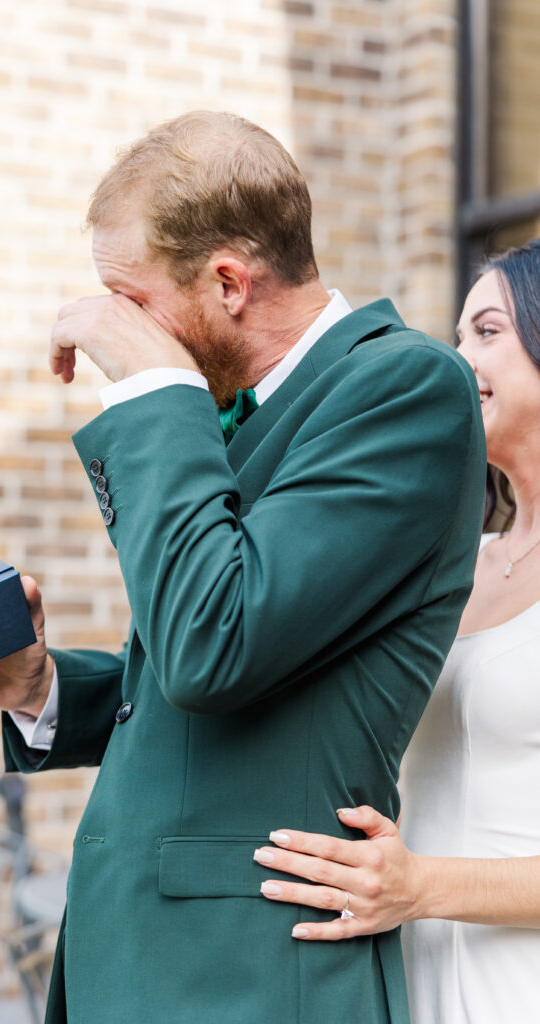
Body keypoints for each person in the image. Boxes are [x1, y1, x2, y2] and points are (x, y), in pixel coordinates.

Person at [0, 111, 487, 1024]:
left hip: (253, 976)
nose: (111, 332)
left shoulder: (404, 389)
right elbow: (211, 670)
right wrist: (39, 685)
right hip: (137, 963)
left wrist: (153, 389)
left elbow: (214, 644)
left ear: (226, 281)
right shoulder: (231, 407)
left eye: (129, 303)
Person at [253, 238, 540, 1023]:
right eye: (452, 338)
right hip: (407, 978)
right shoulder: (457, 561)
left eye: (485, 332)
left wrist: (422, 886)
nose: (455, 360)